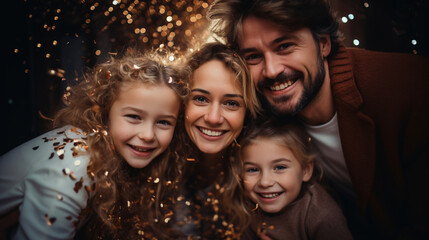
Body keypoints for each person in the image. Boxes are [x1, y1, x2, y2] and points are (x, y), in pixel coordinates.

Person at [207, 0, 429, 239]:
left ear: (323, 44)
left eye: (285, 46)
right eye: (253, 56)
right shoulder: (259, 114)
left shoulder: (412, 89)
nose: (271, 70)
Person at [0, 49, 187, 239]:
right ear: (105, 113)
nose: (148, 135)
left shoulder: (110, 160)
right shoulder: (74, 164)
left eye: (163, 122)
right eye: (133, 117)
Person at [172, 42, 260, 239]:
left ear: (247, 113)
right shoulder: (153, 156)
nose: (213, 118)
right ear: (183, 101)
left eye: (231, 103)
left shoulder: (264, 176)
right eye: (201, 99)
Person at [227, 119, 353, 239]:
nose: (265, 182)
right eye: (253, 170)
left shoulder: (323, 217)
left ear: (305, 170)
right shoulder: (244, 207)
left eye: (280, 167)